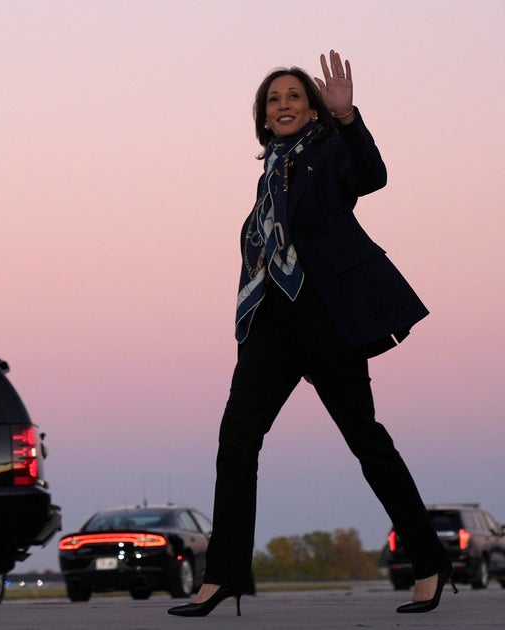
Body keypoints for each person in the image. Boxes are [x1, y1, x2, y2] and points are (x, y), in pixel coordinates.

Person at [168, 50, 450, 618]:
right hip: (271, 325)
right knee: (237, 441)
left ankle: (428, 562)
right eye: (273, 99)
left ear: (312, 108)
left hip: (326, 319)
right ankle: (222, 576)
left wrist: (347, 118)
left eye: (294, 96)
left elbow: (370, 176)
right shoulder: (269, 174)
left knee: (366, 441)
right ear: (263, 116)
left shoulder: (329, 154)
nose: (283, 104)